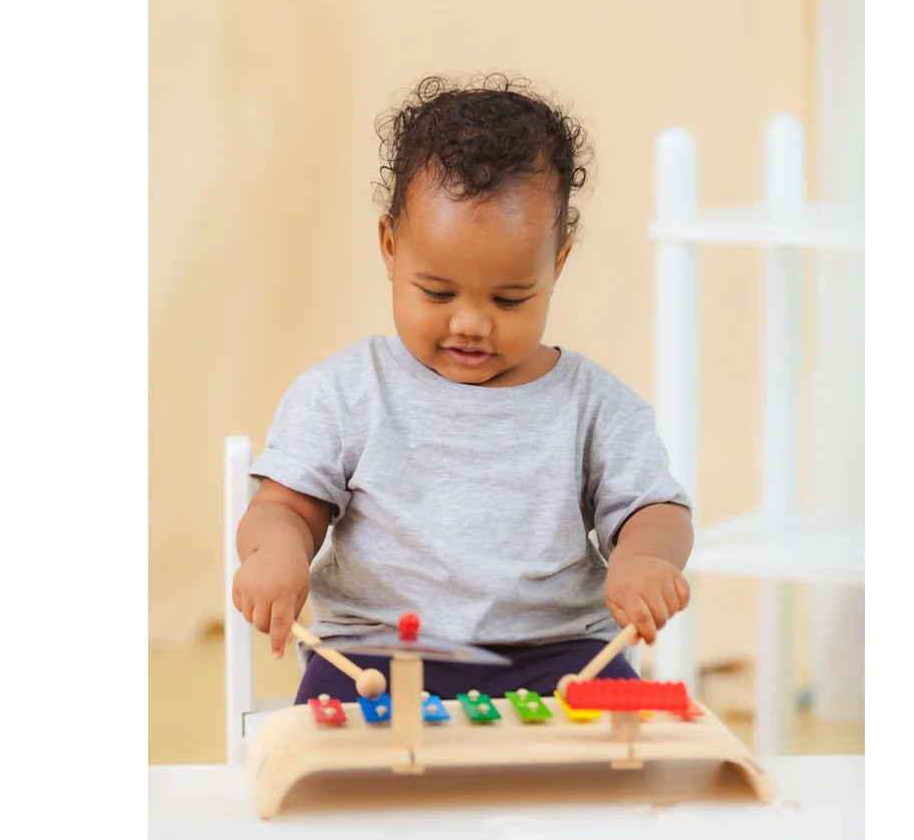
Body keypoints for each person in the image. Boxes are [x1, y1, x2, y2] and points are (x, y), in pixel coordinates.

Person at [232, 74, 693, 703]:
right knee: (338, 761)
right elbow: (284, 508)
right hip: (380, 651)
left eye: (509, 298)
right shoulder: (343, 393)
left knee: (617, 753)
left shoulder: (595, 404)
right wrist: (277, 555)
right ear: (391, 248)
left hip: (561, 653)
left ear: (556, 263)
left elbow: (654, 509)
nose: (470, 323)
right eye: (437, 292)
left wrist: (647, 558)